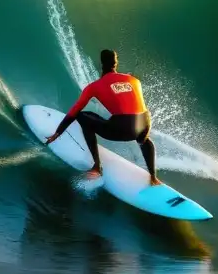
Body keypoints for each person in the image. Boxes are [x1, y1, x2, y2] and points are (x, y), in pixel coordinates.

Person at [45, 49, 160, 186]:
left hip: (123, 127)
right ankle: (153, 177)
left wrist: (57, 134)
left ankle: (97, 166)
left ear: (101, 64)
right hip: (145, 124)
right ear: (116, 63)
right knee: (144, 140)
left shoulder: (94, 86)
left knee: (82, 116)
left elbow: (74, 112)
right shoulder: (134, 80)